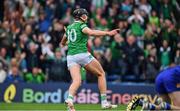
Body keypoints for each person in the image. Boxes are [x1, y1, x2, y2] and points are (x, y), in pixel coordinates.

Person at [60, 8, 119, 111]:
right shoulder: (82, 25)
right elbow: (91, 32)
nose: (86, 17)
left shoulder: (69, 27)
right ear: (81, 16)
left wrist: (70, 41)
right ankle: (104, 102)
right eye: (85, 15)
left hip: (70, 57)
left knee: (77, 80)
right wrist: (108, 33)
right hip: (82, 54)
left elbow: (62, 43)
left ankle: (69, 99)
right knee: (101, 74)